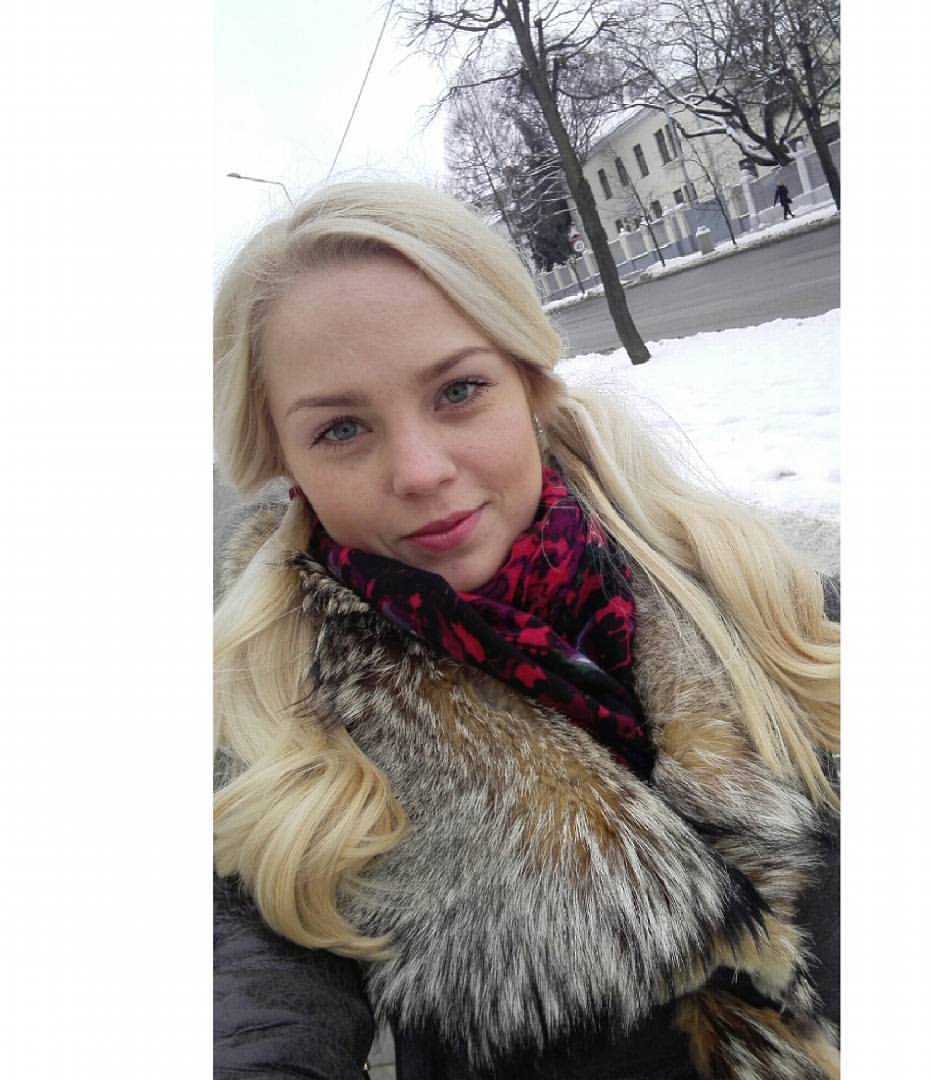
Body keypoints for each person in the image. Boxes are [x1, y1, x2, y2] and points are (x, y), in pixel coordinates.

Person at [213, 181, 840, 1079]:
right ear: (285, 462)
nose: (421, 471)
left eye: (459, 390)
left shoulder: (750, 590)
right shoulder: (270, 734)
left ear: (529, 382)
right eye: (342, 428)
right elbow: (244, 998)